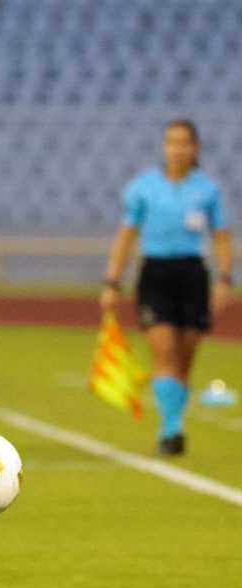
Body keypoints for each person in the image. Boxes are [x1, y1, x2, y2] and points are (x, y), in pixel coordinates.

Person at [101, 119, 234, 455]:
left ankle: (174, 421)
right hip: (156, 274)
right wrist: (112, 281)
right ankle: (170, 429)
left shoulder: (207, 190)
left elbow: (221, 237)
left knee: (186, 359)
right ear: (164, 147)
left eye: (183, 142)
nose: (177, 149)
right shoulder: (143, 188)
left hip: (192, 274)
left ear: (195, 148)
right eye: (171, 142)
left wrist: (224, 278)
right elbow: (126, 235)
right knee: (165, 352)